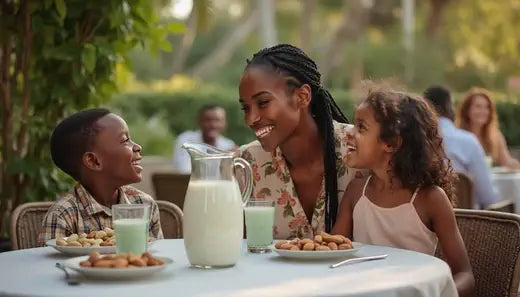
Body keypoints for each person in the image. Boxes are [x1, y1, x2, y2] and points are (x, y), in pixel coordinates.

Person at [332, 89, 474, 297]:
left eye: (361, 127)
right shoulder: (356, 191)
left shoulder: (430, 199)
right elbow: (333, 253)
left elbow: (465, 275)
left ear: (391, 143)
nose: (349, 132)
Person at [239, 44, 362, 240]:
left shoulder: (360, 150)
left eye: (263, 103)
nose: (250, 119)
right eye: (245, 108)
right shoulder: (246, 163)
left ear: (302, 97)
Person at [38, 108, 163, 245]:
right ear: (93, 161)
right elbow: (49, 265)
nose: (138, 147)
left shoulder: (143, 204)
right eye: (125, 140)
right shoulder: (62, 216)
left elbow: (155, 254)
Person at [424, 85, 498, 208]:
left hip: (425, 221)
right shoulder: (468, 141)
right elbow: (488, 196)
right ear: (448, 106)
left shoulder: (412, 142)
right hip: (468, 221)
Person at [457, 88, 520, 169]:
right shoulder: (458, 136)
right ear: (467, 110)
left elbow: (507, 161)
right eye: (478, 106)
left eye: (487, 107)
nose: (483, 111)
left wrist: (515, 164)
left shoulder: (495, 135)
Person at [172, 104, 236, 174]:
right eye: (208, 120)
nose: (213, 125)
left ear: (224, 123)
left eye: (217, 120)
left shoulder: (228, 145)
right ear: (199, 122)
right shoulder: (185, 140)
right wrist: (222, 161)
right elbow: (184, 171)